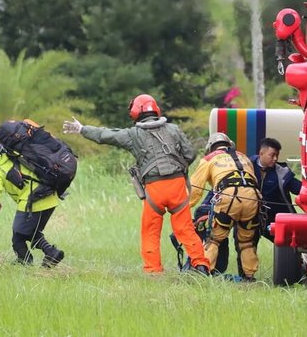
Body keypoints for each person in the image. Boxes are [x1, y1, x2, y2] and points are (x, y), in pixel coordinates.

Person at [62, 94, 210, 275]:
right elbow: (190, 154)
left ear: (134, 112)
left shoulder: (133, 135)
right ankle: (201, 265)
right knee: (185, 229)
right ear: (155, 109)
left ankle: (153, 271)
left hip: (154, 190)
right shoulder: (173, 129)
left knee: (150, 231)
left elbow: (106, 135)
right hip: (178, 186)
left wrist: (82, 129)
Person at [0, 139, 65, 267]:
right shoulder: (14, 156)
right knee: (21, 233)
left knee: (21, 231)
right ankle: (25, 260)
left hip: (33, 200)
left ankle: (50, 252)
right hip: (50, 196)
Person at [189, 132, 261, 281]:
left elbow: (194, 188)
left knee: (214, 239)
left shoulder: (209, 158)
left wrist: (183, 207)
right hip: (252, 198)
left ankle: (205, 274)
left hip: (228, 198)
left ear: (211, 147)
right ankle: (249, 277)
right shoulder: (244, 157)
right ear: (230, 145)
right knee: (246, 242)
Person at [250, 137, 301, 242]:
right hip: (250, 217)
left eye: (277, 155)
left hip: (275, 218)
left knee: (288, 245)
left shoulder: (282, 173)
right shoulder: (246, 166)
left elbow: (299, 189)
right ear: (261, 153)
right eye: (272, 155)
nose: (275, 159)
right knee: (246, 248)